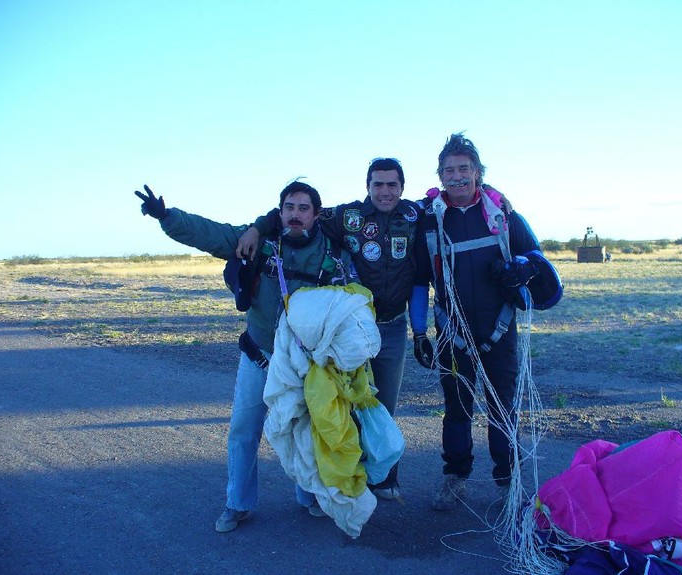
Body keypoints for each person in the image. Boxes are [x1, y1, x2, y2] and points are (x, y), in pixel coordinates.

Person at [134, 180, 357, 531]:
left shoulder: (334, 256)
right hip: (260, 355)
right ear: (279, 212)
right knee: (243, 430)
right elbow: (211, 234)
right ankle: (238, 503)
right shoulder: (259, 243)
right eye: (289, 207)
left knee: (308, 429)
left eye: (303, 209)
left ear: (316, 215)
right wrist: (167, 216)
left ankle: (310, 495)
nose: (295, 215)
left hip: (307, 364)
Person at [236, 158, 431, 501]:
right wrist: (257, 227)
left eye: (392, 184)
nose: (385, 191)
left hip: (393, 328)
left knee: (383, 404)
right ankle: (347, 478)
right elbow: (295, 216)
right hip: (348, 330)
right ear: (367, 186)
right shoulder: (346, 217)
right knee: (347, 403)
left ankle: (383, 478)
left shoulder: (417, 215)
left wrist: (420, 331)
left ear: (402, 187)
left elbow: (451, 205)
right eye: (378, 184)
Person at [411, 133, 561, 511]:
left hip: (500, 328)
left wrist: (522, 268)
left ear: (478, 172)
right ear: (440, 175)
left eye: (465, 169)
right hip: (452, 333)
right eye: (450, 170)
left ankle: (508, 483)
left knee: (503, 407)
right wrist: (418, 332)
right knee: (457, 408)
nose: (457, 176)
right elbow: (417, 280)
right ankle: (455, 479)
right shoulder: (428, 220)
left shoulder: (502, 214)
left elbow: (536, 258)